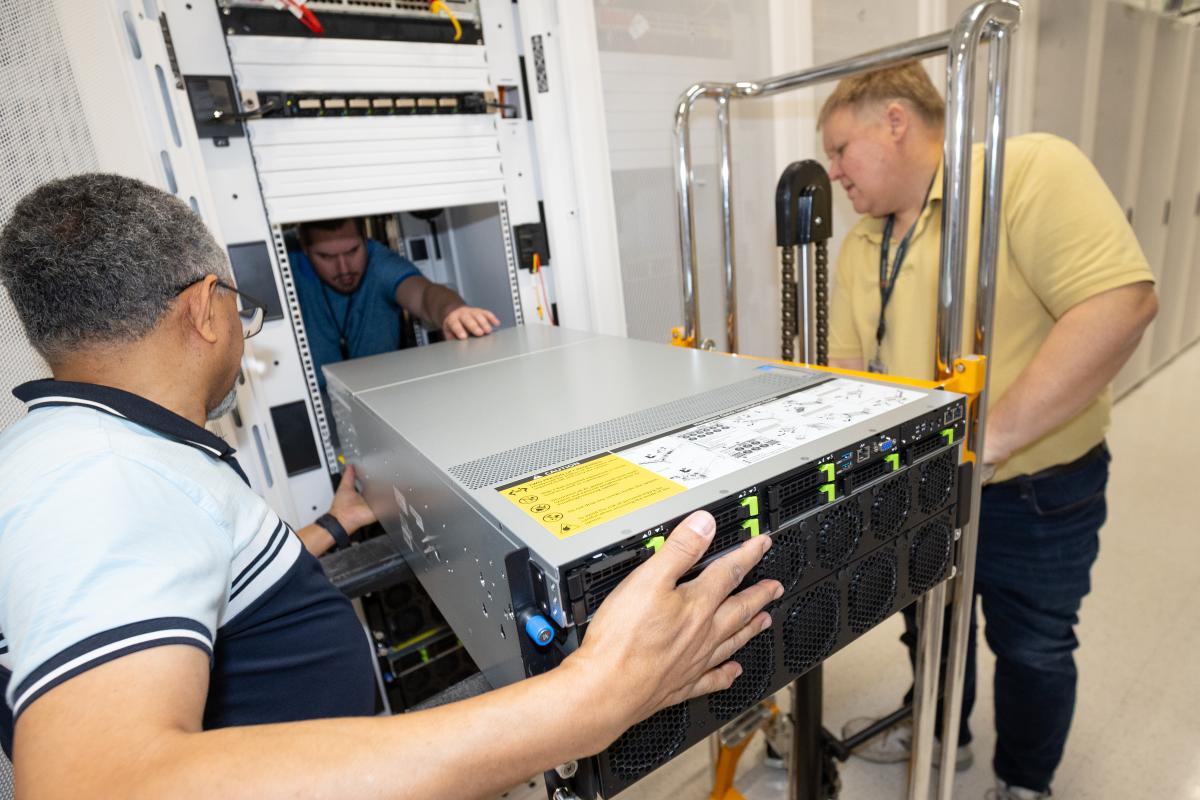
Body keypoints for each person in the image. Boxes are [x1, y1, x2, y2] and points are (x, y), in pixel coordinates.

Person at [0, 174, 783, 797]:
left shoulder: (105, 450)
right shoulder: (99, 477)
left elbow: (200, 581)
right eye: (241, 305)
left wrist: (335, 525)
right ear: (206, 308)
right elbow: (99, 783)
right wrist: (588, 703)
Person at [818, 63, 1157, 799]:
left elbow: (1119, 305)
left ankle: (1024, 783)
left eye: (841, 149)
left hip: (1032, 487)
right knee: (930, 623)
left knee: (1033, 645)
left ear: (896, 122)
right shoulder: (861, 246)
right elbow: (847, 370)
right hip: (916, 483)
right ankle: (944, 732)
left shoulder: (1026, 172)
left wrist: (986, 442)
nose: (834, 171)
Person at [290, 217, 501, 389]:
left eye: (352, 251)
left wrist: (452, 311)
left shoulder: (381, 264)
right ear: (305, 249)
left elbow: (424, 294)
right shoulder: (287, 268)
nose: (344, 268)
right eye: (326, 257)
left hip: (381, 398)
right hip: (313, 405)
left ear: (366, 239)